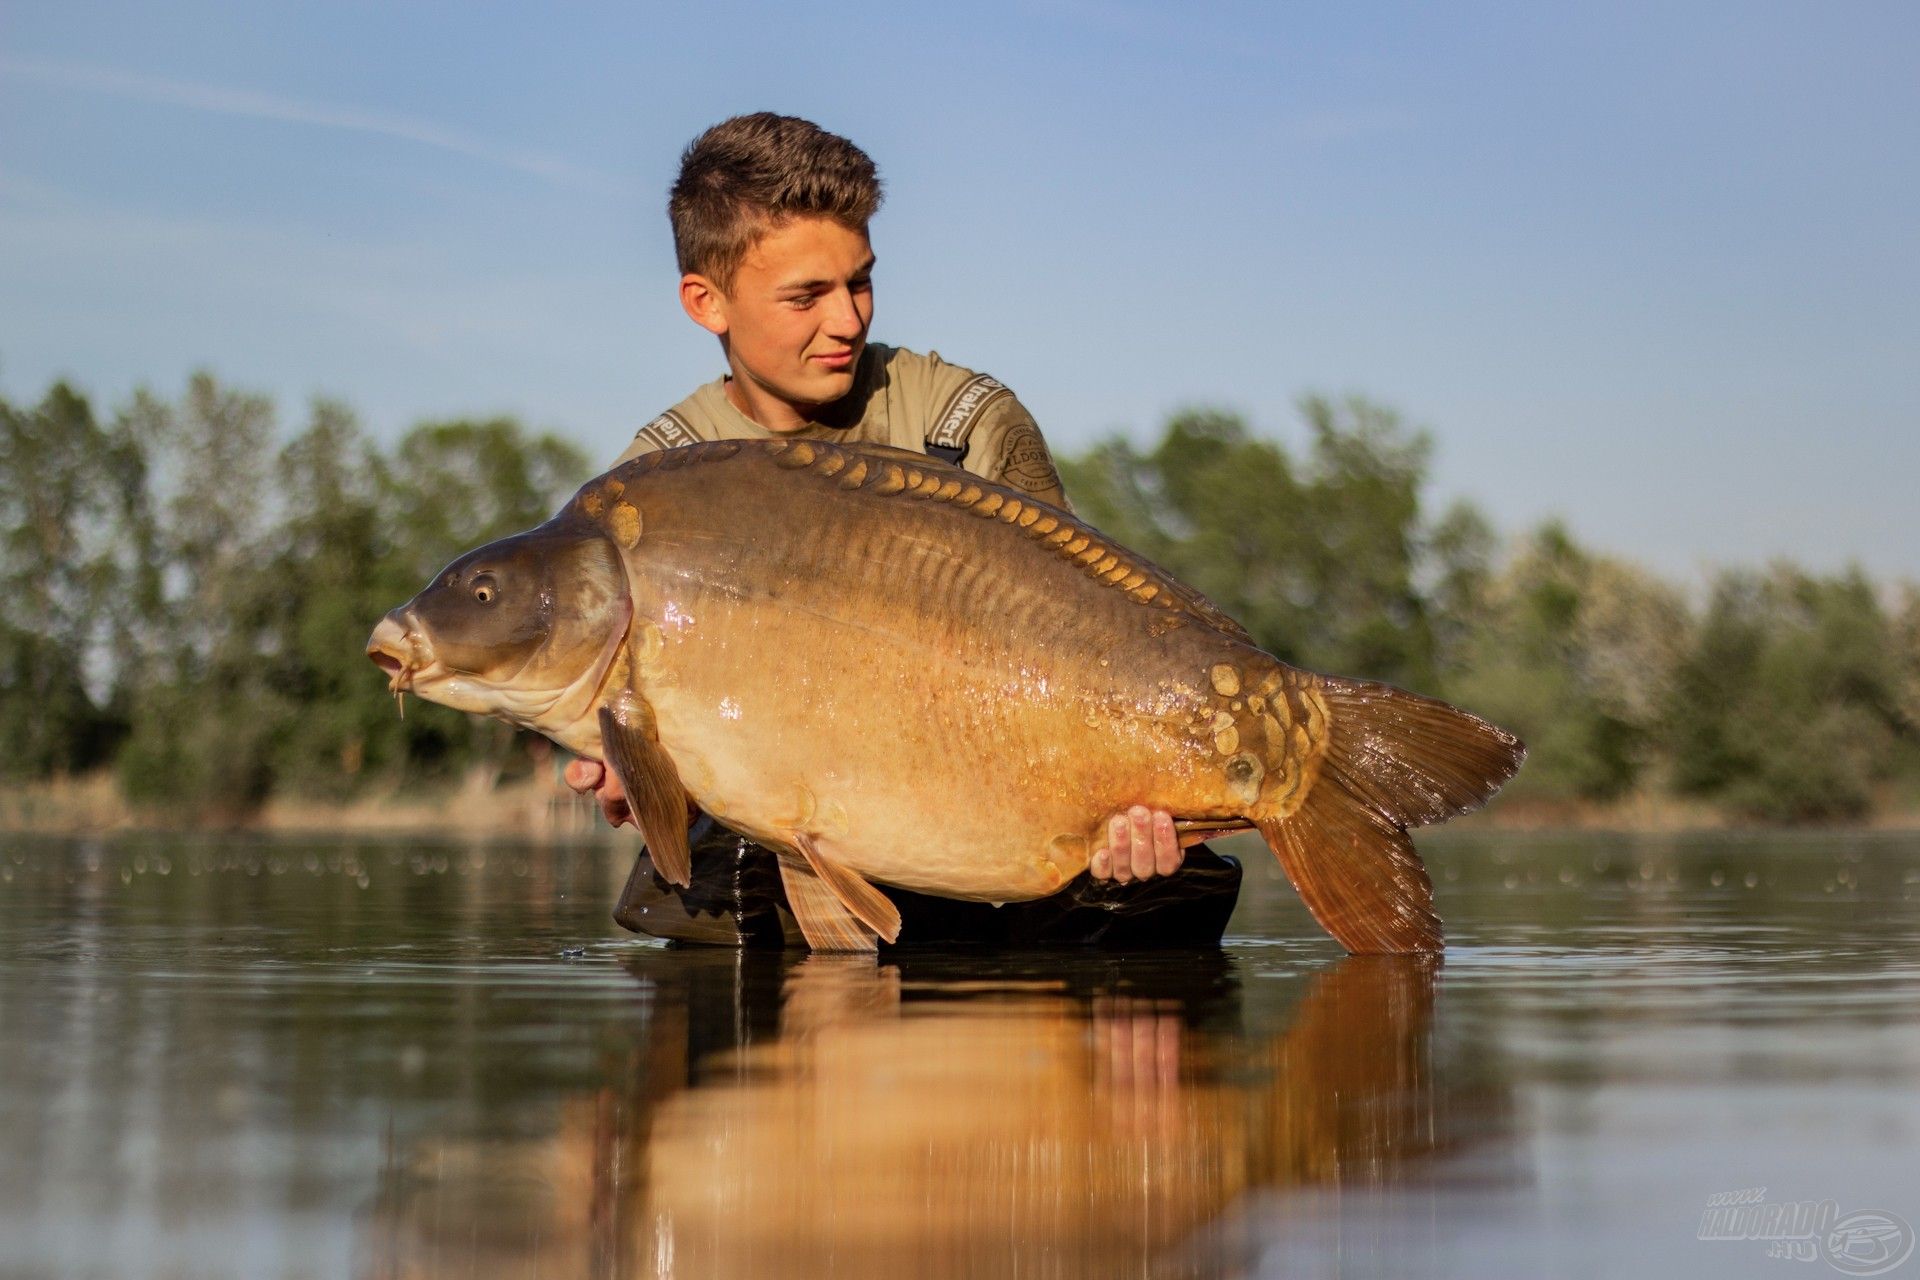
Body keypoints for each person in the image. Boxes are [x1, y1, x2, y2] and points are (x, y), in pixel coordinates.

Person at [566, 113, 1241, 946]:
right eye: (806, 296)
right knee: (695, 896)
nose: (848, 320)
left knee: (1158, 895)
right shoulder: (652, 488)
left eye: (860, 282)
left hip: (995, 800)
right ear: (706, 302)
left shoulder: (966, 421)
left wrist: (1128, 797)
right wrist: (634, 770)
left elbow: (1082, 643)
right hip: (787, 823)